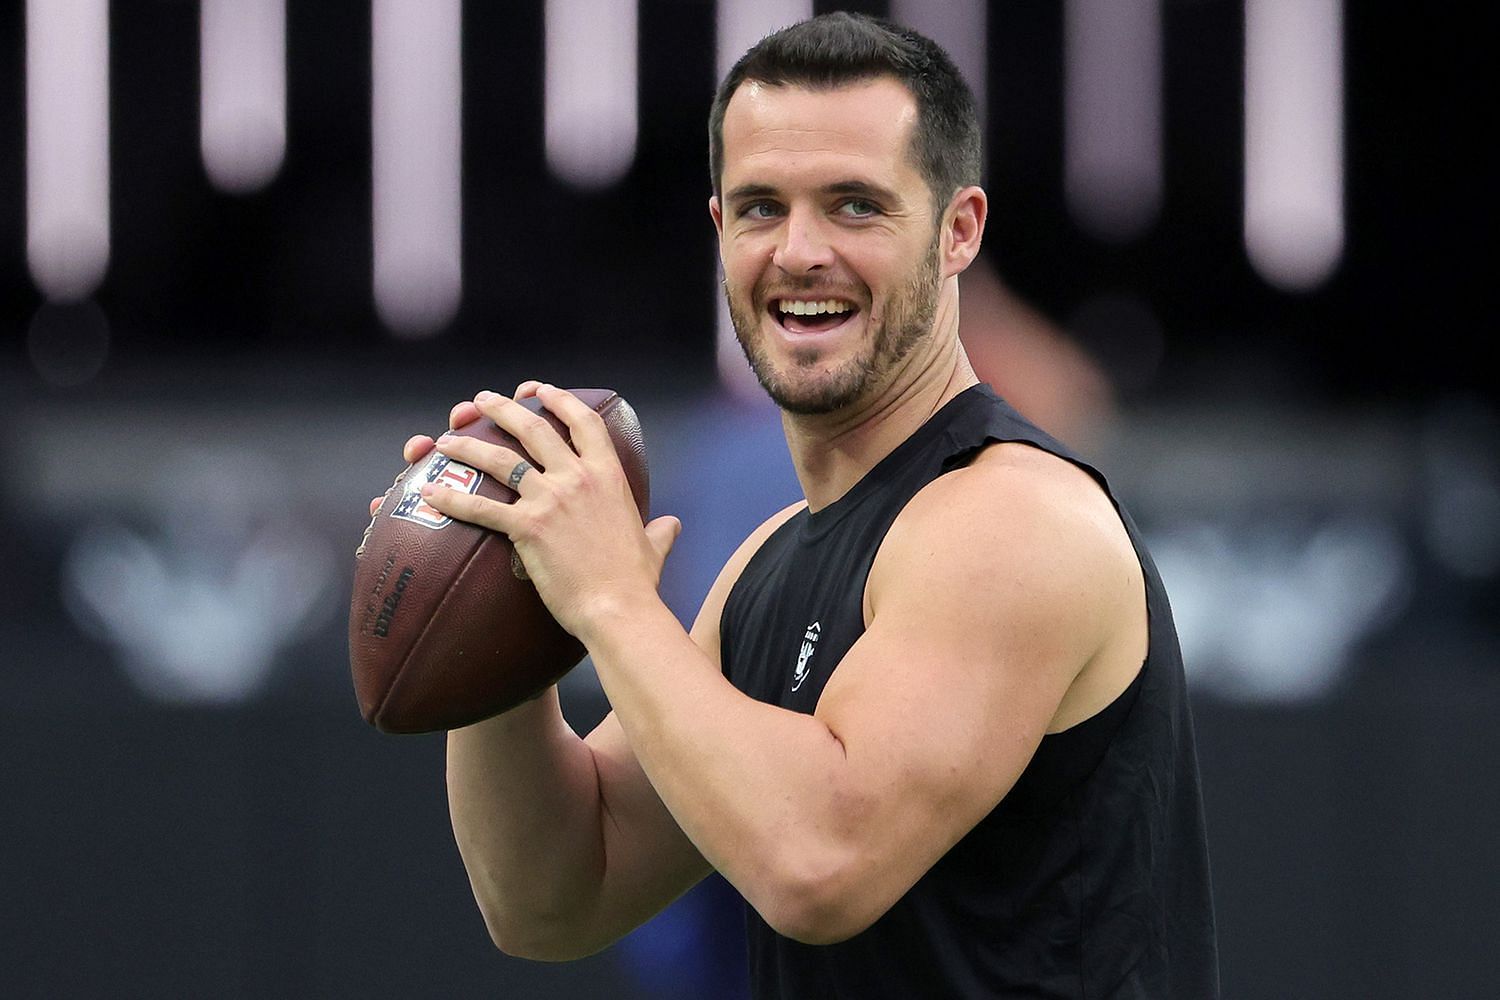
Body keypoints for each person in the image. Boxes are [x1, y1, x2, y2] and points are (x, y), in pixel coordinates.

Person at [396, 13, 1219, 997]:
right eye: (760, 208)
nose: (799, 251)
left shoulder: (1014, 520)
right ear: (719, 232)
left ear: (958, 232)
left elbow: (820, 864)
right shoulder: (771, 561)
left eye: (855, 206)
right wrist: (504, 616)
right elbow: (552, 897)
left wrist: (610, 601)